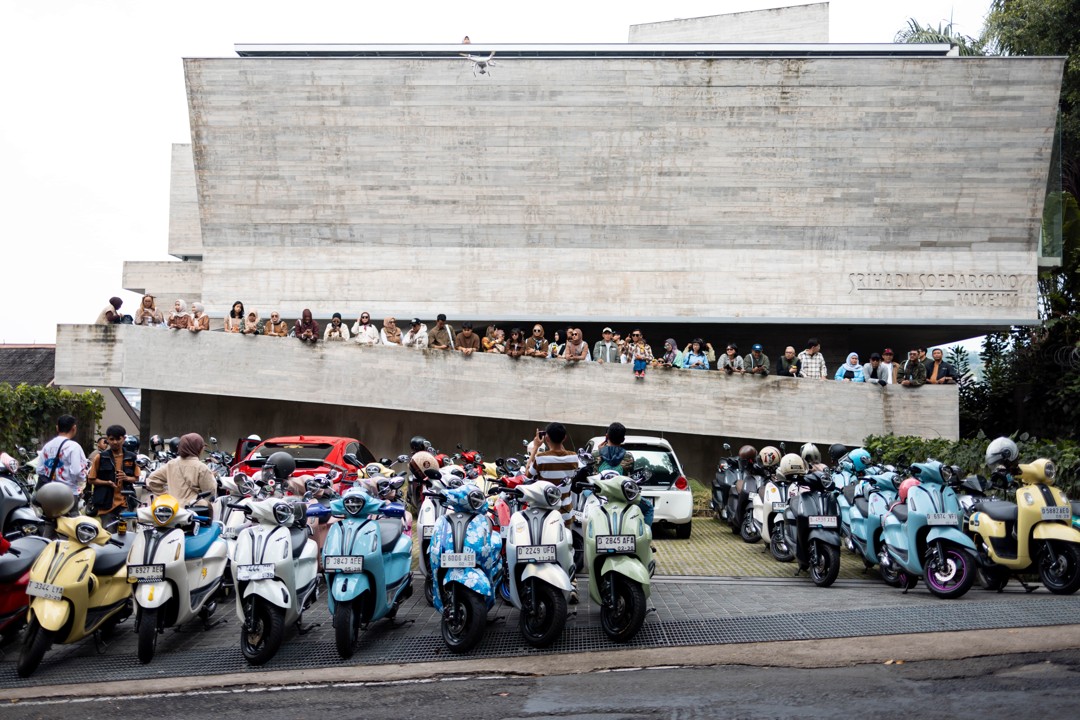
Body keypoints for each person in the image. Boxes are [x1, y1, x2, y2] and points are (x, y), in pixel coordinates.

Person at [144, 433, 217, 509]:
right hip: (193, 510)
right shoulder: (202, 468)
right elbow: (210, 493)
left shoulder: (171, 464)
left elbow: (152, 480)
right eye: (202, 447)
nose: (203, 450)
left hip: (173, 509)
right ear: (197, 448)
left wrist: (167, 496)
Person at [87, 424, 139, 525]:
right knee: (109, 533)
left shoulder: (132, 457)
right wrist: (107, 483)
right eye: (112, 439)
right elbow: (91, 479)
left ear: (124, 439)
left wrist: (126, 478)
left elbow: (136, 478)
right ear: (107, 440)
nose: (115, 442)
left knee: (126, 532)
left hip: (125, 503)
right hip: (106, 505)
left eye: (118, 439)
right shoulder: (100, 457)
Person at [35, 414, 87, 497]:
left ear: (57, 428)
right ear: (74, 428)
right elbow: (76, 471)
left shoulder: (47, 446)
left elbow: (39, 470)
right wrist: (82, 478)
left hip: (49, 492)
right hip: (68, 493)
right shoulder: (74, 447)